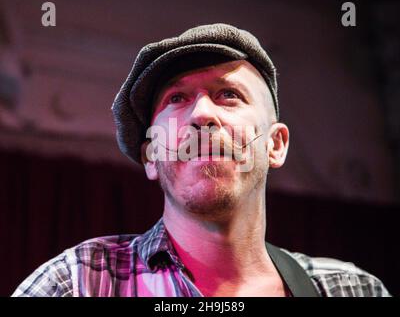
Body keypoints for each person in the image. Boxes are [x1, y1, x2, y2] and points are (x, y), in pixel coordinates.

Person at [12, 23, 390, 297]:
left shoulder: (351, 290)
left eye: (228, 94)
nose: (201, 115)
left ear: (276, 144)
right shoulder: (79, 283)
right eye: (176, 99)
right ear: (151, 156)